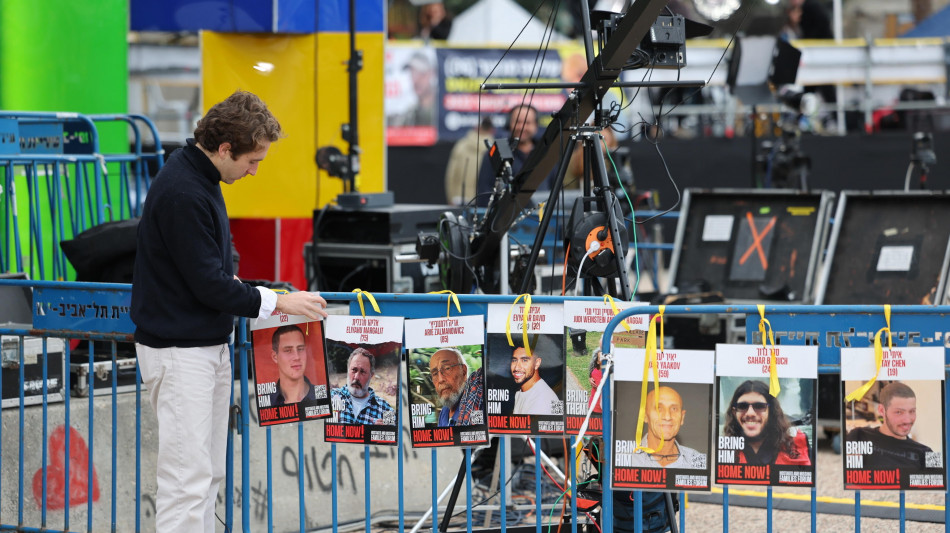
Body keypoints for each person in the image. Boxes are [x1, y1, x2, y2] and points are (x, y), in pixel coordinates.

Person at [131, 90, 328, 533]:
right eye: (251, 160)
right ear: (224, 149)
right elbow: (210, 282)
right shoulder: (184, 189)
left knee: (203, 476)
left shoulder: (195, 180)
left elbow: (221, 265)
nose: (254, 170)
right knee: (188, 480)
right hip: (182, 350)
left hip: (197, 346)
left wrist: (254, 291)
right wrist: (278, 300)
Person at [475, 104, 555, 207]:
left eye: (527, 122)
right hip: (504, 221)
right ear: (509, 124)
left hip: (543, 220)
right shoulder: (495, 154)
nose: (522, 127)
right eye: (518, 122)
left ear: (536, 125)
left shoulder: (547, 154)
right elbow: (484, 197)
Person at [845, 382, 934, 469]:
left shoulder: (928, 453)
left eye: (912, 411)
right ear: (881, 410)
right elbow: (847, 478)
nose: (907, 420)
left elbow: (942, 482)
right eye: (899, 412)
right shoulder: (858, 436)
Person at [722, 380, 811, 466]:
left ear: (771, 411)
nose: (750, 413)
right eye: (742, 406)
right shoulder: (726, 447)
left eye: (759, 406)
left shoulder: (796, 442)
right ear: (734, 412)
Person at [630, 386, 705, 469]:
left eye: (674, 409)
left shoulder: (697, 461)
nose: (667, 416)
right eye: (659, 408)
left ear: (682, 417)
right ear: (645, 416)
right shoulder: (627, 459)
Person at [330, 347, 394, 424]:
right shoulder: (331, 396)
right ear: (348, 370)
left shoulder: (386, 408)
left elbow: (394, 432)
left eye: (363, 372)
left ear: (371, 376)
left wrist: (382, 431)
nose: (356, 377)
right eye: (354, 370)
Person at [444, 116, 495, 205]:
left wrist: (450, 196)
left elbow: (451, 174)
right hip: (484, 199)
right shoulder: (494, 149)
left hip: (460, 197)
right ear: (492, 130)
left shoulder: (461, 146)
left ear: (476, 127)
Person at [428, 347, 484, 426]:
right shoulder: (445, 411)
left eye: (447, 368)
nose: (440, 379)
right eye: (435, 374)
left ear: (463, 372)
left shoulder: (475, 404)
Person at [265, 325, 316, 406]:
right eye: (288, 350)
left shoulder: (321, 395)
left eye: (300, 349)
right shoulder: (267, 401)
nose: (297, 357)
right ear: (275, 357)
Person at [388, 51, 437, 128]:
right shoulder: (411, 112)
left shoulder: (441, 107)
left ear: (431, 74)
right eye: (412, 74)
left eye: (421, 74)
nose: (416, 80)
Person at [510, 345, 559, 415]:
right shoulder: (523, 391)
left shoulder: (544, 400)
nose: (517, 367)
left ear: (537, 363)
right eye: (514, 360)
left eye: (524, 360)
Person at [587, 349, 604, 413]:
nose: (603, 358)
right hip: (596, 408)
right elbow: (603, 388)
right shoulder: (596, 373)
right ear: (597, 362)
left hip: (605, 408)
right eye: (601, 357)